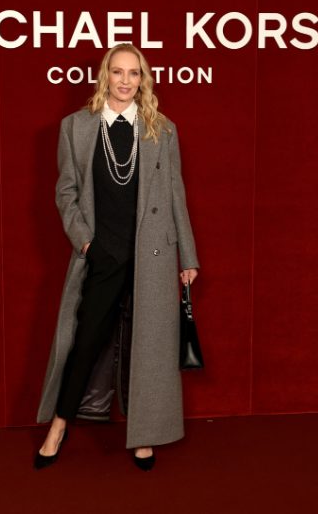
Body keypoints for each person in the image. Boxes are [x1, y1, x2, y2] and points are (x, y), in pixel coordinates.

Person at [34, 43, 200, 471]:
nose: (125, 80)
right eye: (118, 71)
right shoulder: (76, 127)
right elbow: (66, 192)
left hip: (153, 253)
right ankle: (58, 426)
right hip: (102, 253)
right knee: (85, 341)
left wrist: (188, 257)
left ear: (143, 79)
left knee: (150, 348)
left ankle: (145, 435)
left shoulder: (162, 129)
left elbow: (176, 195)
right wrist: (86, 244)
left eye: (134, 73)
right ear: (105, 76)